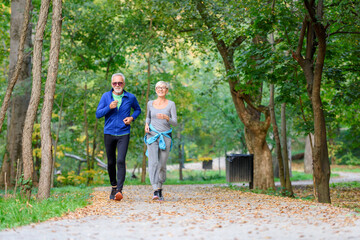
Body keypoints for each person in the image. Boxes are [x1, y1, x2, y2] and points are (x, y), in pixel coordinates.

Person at [96, 73, 141, 201]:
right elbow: (98, 114)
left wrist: (132, 117)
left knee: (121, 160)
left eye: (120, 83)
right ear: (111, 84)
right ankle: (114, 186)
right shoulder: (106, 97)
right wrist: (109, 107)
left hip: (124, 133)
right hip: (109, 132)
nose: (117, 85)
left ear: (123, 84)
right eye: (115, 83)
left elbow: (138, 110)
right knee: (111, 162)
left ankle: (119, 191)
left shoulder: (130, 97)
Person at [144, 81, 177, 201]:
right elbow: (148, 116)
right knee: (153, 163)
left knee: (162, 164)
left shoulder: (171, 104)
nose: (160, 89)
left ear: (167, 90)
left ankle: (160, 187)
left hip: (165, 137)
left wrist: (167, 118)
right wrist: (146, 125)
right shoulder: (150, 104)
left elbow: (175, 122)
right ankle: (155, 190)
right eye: (158, 87)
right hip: (152, 135)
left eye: (163, 88)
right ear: (155, 90)